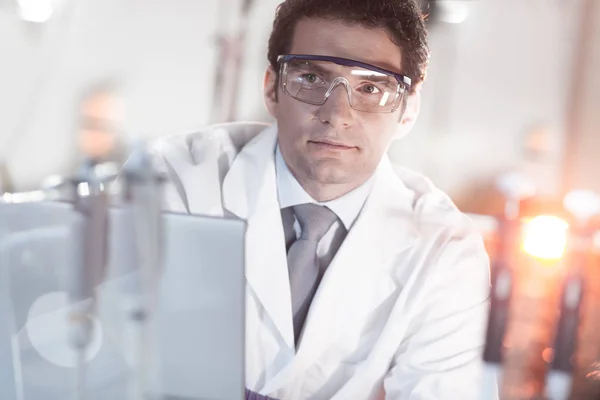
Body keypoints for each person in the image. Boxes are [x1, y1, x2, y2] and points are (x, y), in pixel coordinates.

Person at [147, 0, 492, 398]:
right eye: (311, 77)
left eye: (370, 87)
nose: (337, 113)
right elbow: (115, 362)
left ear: (408, 110)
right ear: (272, 89)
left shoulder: (445, 249)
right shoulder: (175, 178)